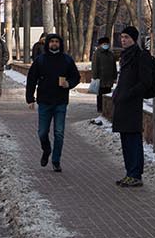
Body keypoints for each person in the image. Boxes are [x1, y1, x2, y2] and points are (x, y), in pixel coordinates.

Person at [110, 25, 155, 188]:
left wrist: (128, 94)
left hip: (132, 104)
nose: (123, 40)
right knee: (125, 139)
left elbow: (145, 82)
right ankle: (129, 172)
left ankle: (135, 174)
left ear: (134, 39)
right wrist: (118, 94)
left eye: (127, 38)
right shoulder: (125, 56)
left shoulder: (140, 56)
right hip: (123, 104)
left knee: (133, 140)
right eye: (122, 37)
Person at [25, 33, 79, 172]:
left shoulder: (67, 60)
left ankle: (56, 160)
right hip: (44, 101)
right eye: (52, 42)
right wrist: (30, 98)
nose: (54, 44)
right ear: (47, 44)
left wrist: (69, 83)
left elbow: (76, 77)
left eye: (56, 42)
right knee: (42, 132)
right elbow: (31, 79)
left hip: (60, 101)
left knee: (59, 133)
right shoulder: (41, 60)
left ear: (60, 44)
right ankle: (46, 149)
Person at [90, 35, 117, 124]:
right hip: (100, 78)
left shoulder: (111, 54)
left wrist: (114, 76)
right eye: (104, 43)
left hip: (109, 78)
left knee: (108, 93)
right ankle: (100, 108)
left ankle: (107, 109)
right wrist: (95, 77)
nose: (106, 45)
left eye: (107, 43)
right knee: (100, 94)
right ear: (100, 45)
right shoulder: (97, 53)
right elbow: (94, 66)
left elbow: (114, 66)